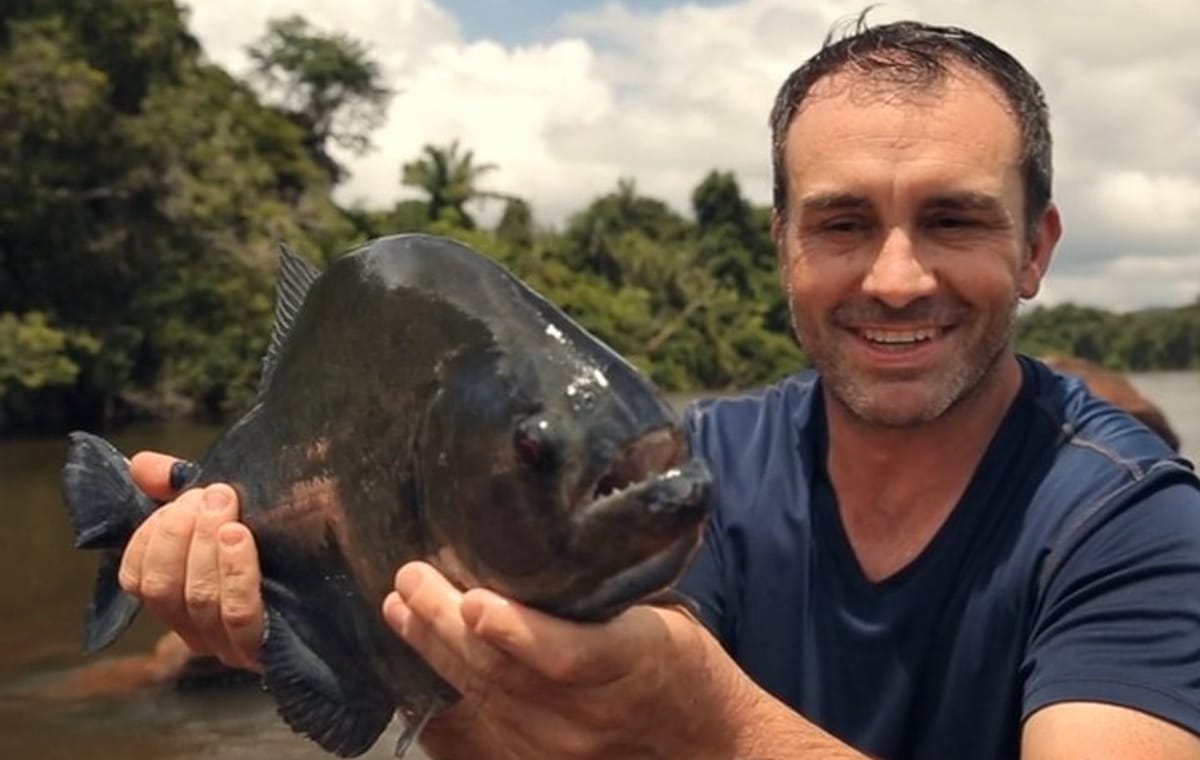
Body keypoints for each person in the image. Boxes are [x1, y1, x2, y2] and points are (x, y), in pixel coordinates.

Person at [117, 16, 1200, 759]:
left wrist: (712, 726)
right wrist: (333, 630)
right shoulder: (692, 465)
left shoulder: (1133, 522)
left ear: (1037, 248)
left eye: (954, 218)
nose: (895, 276)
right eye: (842, 223)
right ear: (783, 248)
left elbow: (683, 724)